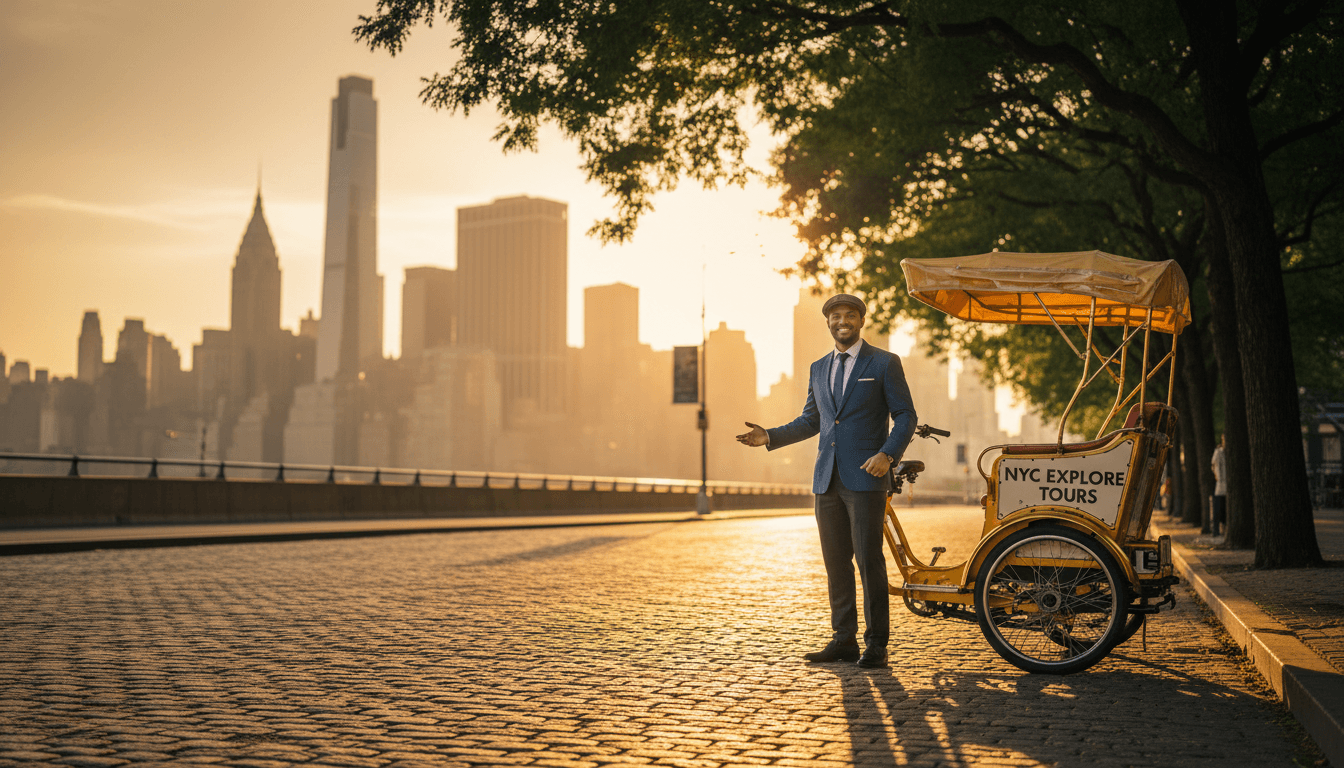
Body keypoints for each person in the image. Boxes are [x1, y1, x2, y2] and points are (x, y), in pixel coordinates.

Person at [736, 294, 917, 668]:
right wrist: (769, 435)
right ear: (828, 323)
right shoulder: (819, 368)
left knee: (869, 562)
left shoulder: (884, 363)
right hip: (826, 479)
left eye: (850, 315)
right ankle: (843, 639)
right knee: (836, 563)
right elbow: (811, 420)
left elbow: (905, 415)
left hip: (867, 478)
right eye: (836, 316)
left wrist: (887, 454)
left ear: (861, 321)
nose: (843, 321)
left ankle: (876, 644)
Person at [1211, 434, 1227, 537]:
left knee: (1223, 510)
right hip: (1221, 485)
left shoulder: (1224, 452)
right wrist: (1219, 479)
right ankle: (1216, 531)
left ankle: (1222, 530)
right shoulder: (1219, 452)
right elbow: (1215, 467)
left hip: (1224, 485)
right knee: (1218, 510)